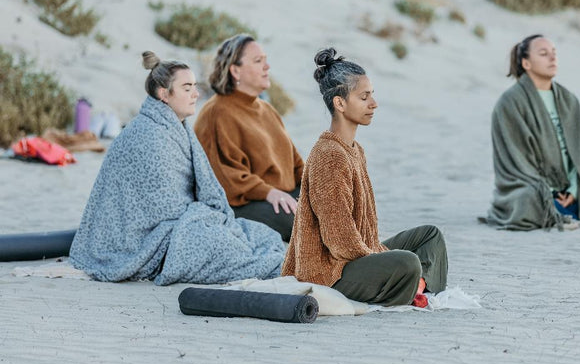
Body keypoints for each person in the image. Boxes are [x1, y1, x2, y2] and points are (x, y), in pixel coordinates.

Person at [69, 52, 285, 285]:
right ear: (164, 94)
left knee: (260, 234)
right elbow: (162, 209)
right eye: (187, 88)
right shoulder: (149, 136)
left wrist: (208, 215)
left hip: (182, 221)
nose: (196, 94)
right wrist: (205, 217)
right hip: (145, 238)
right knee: (221, 246)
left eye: (194, 86)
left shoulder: (175, 126)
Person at [282, 48, 448, 307]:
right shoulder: (329, 155)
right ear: (340, 103)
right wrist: (380, 258)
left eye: (372, 95)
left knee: (430, 236)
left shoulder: (355, 150)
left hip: (356, 256)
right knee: (407, 262)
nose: (374, 104)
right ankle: (414, 285)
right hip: (330, 273)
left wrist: (377, 254)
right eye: (364, 97)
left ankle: (417, 285)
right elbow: (339, 242)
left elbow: (360, 239)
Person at [483, 34, 580, 230]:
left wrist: (573, 190)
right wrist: (549, 192)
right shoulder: (510, 103)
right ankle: (556, 210)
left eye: (554, 53)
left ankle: (569, 207)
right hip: (533, 187)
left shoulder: (568, 100)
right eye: (543, 53)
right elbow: (517, 159)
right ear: (526, 63)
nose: (552, 58)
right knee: (527, 200)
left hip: (572, 187)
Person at [194, 35, 303, 242]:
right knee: (298, 222)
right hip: (241, 204)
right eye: (258, 61)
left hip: (280, 195)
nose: (267, 66)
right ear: (235, 70)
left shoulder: (267, 109)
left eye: (265, 59)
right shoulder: (217, 112)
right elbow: (224, 176)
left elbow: (295, 164)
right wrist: (269, 192)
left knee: (330, 208)